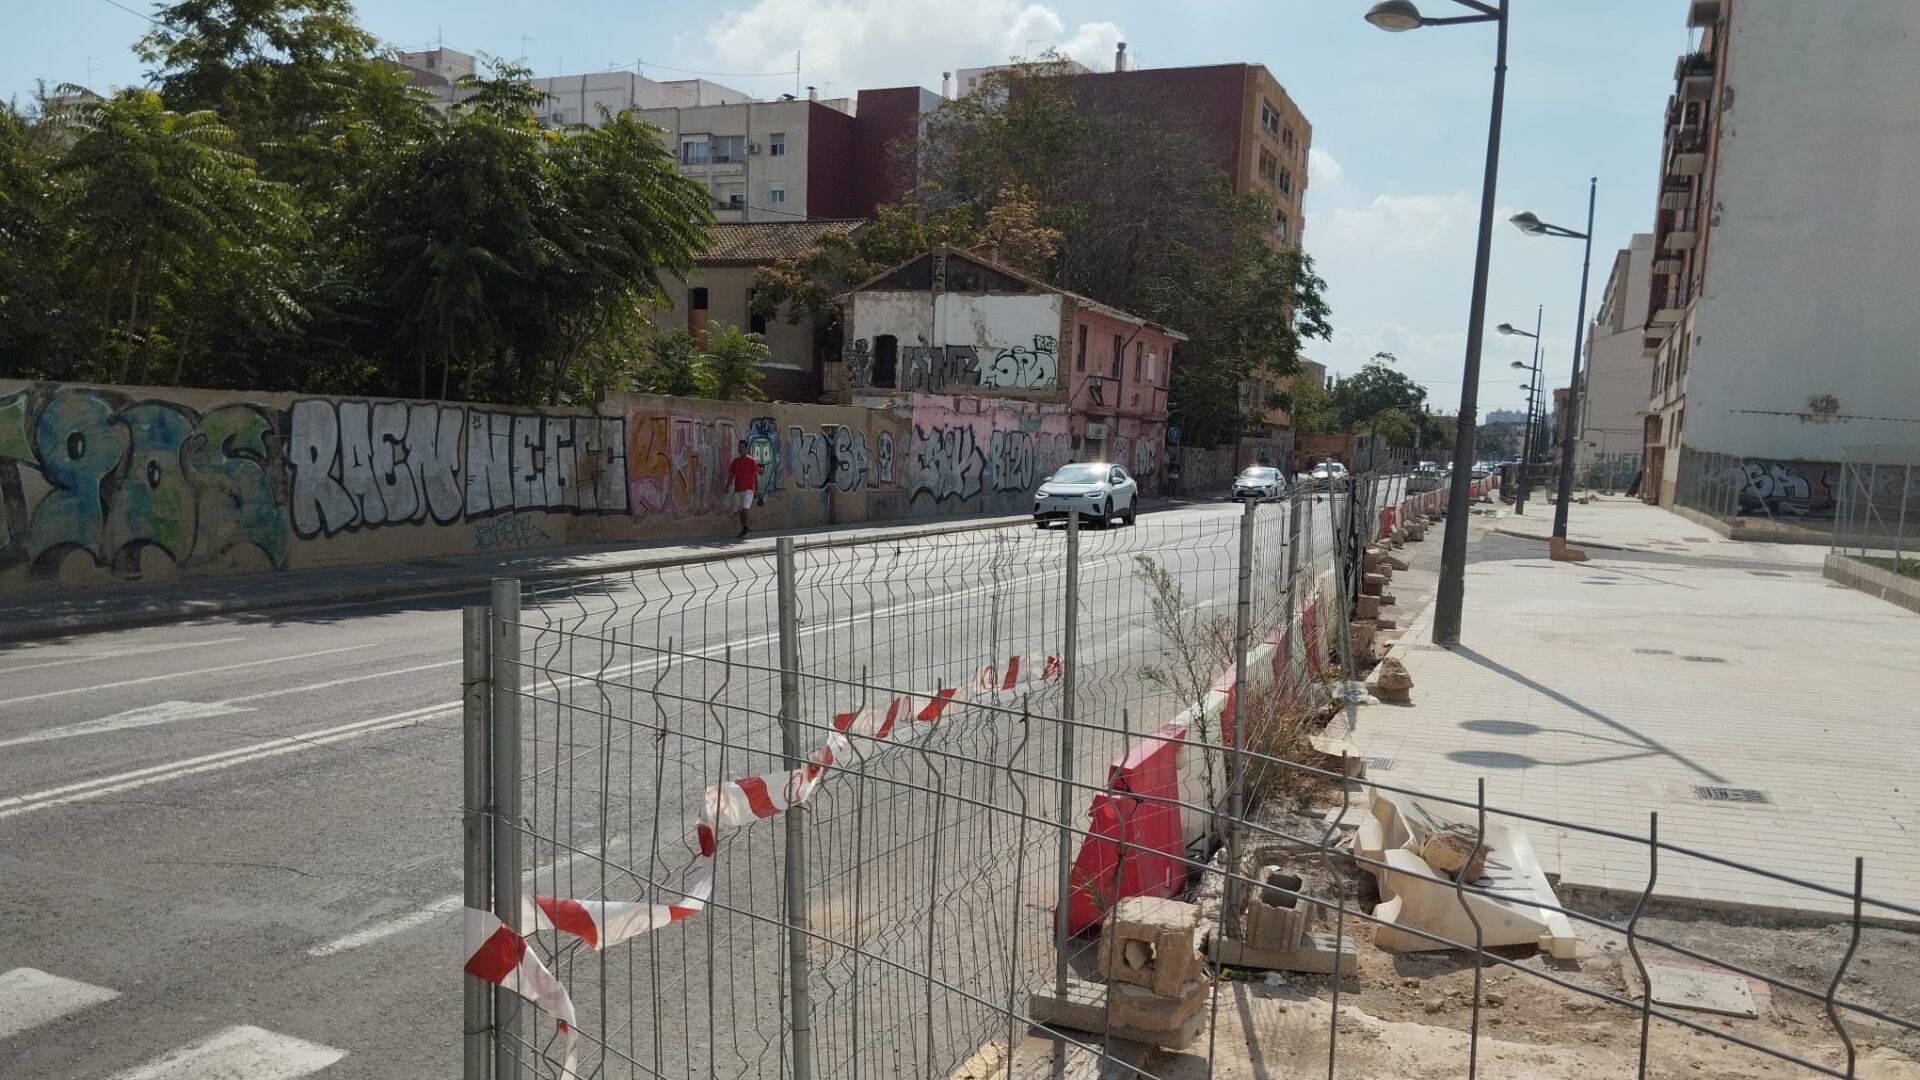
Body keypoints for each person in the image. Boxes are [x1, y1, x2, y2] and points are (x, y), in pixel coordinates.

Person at [727, 441, 761, 538]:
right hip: (738, 490)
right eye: (739, 447)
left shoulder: (751, 461)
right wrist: (727, 486)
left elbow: (755, 475)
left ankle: (746, 528)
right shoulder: (735, 461)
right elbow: (731, 475)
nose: (740, 449)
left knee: (745, 509)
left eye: (742, 447)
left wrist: (757, 490)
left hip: (749, 490)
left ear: (746, 448)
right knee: (740, 511)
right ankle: (744, 529)